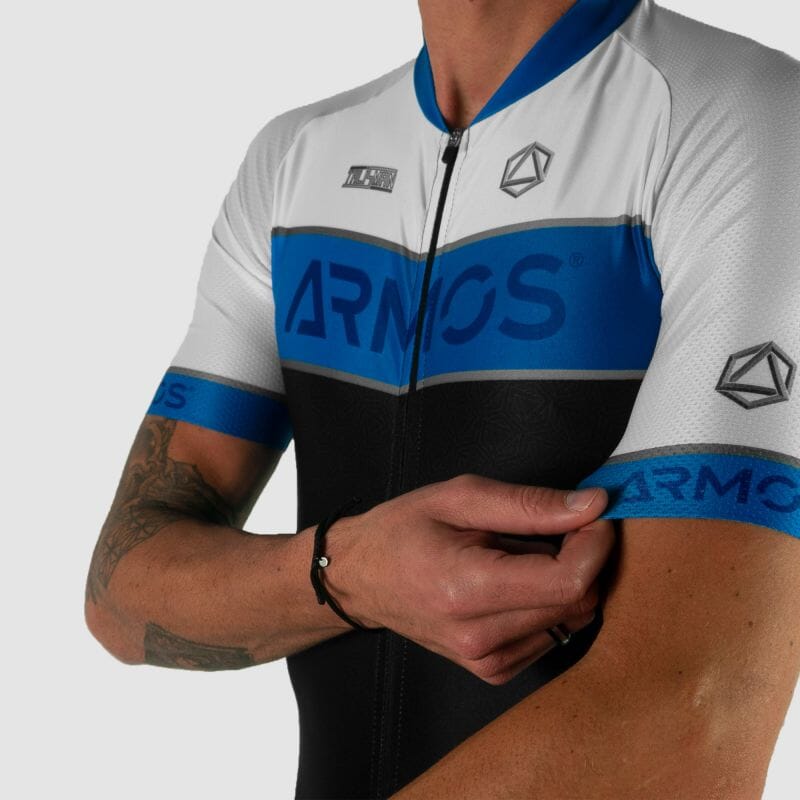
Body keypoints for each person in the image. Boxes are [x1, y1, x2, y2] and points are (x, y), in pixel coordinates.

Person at [85, 0, 800, 797]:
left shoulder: (745, 117)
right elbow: (122, 594)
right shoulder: (298, 159)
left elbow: (691, 717)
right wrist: (349, 574)